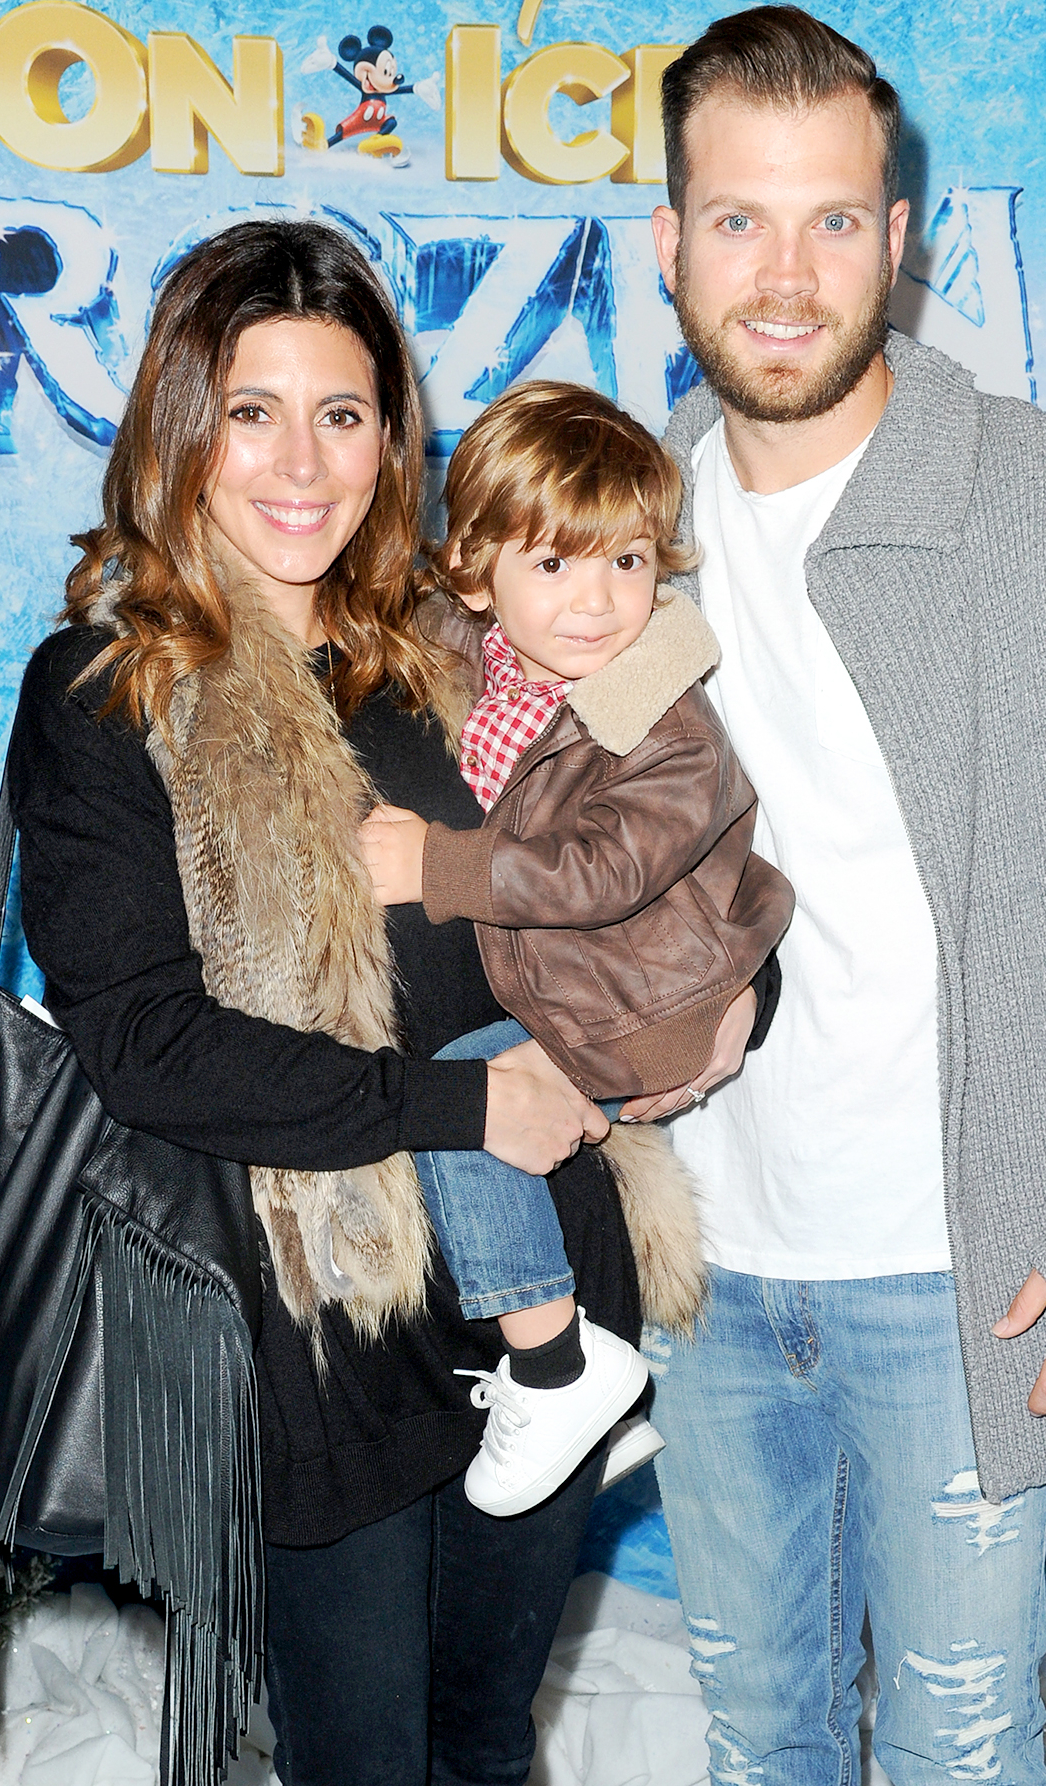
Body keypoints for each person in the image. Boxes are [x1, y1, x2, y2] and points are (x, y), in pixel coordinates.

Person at [3, 220, 726, 1786]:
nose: (300, 463)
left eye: (340, 413)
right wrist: (465, 1106)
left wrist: (736, 1001)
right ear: (181, 428)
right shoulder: (110, 691)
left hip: (546, 1290)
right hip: (315, 1314)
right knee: (363, 1757)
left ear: (391, 437)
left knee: (481, 1741)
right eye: (251, 412)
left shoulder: (458, 654)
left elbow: (662, 847)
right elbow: (145, 1045)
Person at [643, 7, 1046, 1786]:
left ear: (897, 238)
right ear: (669, 243)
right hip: (707, 1271)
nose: (784, 274)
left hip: (962, 1277)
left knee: (961, 1751)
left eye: (831, 219)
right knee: (756, 1738)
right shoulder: (628, 521)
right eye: (739, 220)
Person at [360, 381, 793, 1518]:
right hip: (580, 985)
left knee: (468, 1102)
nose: (597, 602)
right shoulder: (477, 650)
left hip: (646, 1004)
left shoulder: (665, 721)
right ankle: (606, 1416)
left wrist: (438, 868)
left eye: (629, 563)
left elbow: (603, 871)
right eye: (554, 564)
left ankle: (557, 1368)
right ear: (477, 575)